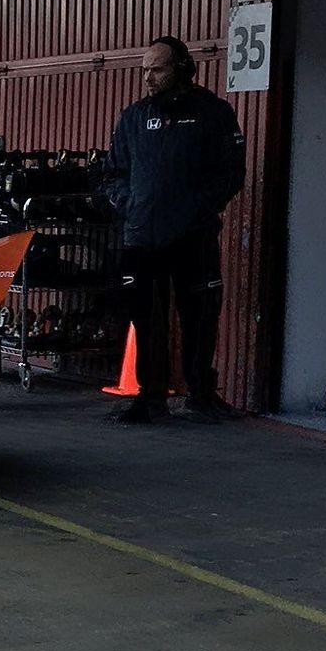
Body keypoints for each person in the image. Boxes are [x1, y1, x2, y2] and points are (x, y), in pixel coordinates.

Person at [103, 35, 247, 424]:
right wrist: (130, 204)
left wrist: (198, 209)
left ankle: (201, 394)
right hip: (142, 238)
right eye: (145, 70)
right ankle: (150, 398)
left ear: (182, 69)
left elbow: (231, 172)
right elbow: (113, 173)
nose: (148, 78)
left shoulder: (213, 113)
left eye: (157, 70)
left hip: (193, 237)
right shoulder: (133, 118)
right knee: (146, 320)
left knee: (200, 317)